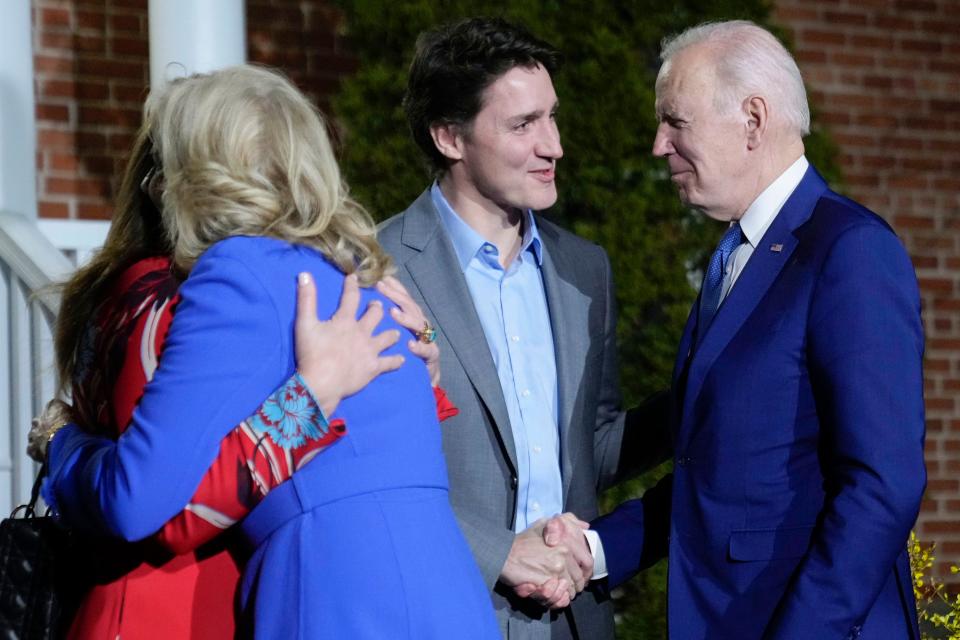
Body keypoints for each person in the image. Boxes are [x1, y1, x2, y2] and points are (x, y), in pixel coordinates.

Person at [42, 64, 500, 639]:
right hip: (447, 596)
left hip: (336, 590)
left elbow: (138, 501)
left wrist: (64, 449)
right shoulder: (363, 275)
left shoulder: (237, 271)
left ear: (192, 172)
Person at [587, 20, 926, 639]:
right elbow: (717, 475)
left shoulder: (849, 252)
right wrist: (595, 552)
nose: (658, 144)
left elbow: (883, 486)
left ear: (752, 119)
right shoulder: (738, 254)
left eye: (675, 121)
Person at [378, 17, 670, 639]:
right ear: (449, 138)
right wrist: (496, 551)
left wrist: (702, 396)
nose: (554, 145)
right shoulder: (375, 268)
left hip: (574, 622)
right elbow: (360, 470)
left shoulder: (584, 269)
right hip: (442, 614)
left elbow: (592, 449)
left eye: (552, 117)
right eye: (522, 125)